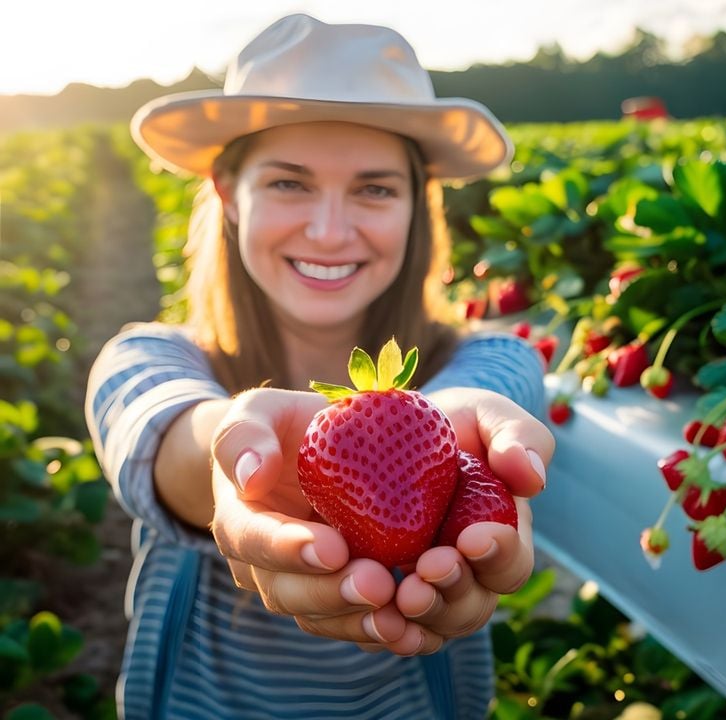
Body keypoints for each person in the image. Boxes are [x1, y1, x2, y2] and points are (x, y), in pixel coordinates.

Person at [85, 14, 554, 720]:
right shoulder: (145, 359)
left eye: (374, 190)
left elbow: (479, 402)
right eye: (289, 184)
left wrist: (433, 431)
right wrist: (235, 456)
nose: (330, 231)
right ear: (226, 195)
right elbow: (167, 438)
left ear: (417, 208)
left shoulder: (492, 359)